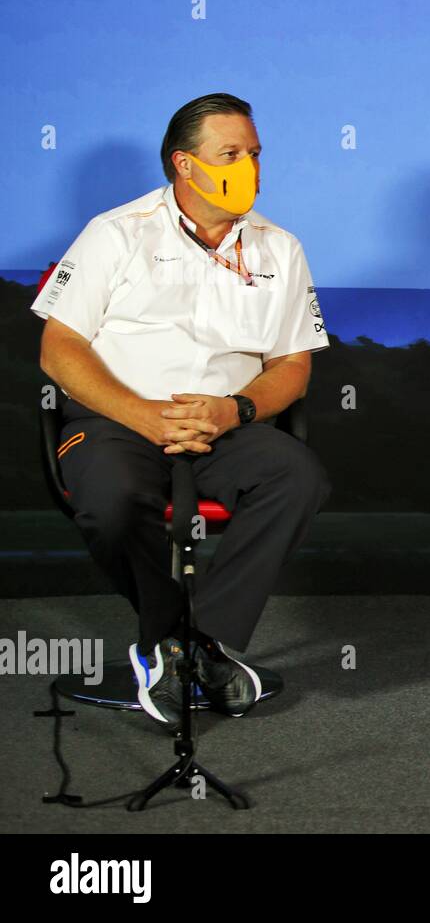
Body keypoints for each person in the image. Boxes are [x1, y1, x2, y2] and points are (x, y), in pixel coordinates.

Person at [31, 93, 331, 730]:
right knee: (110, 500)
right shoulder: (116, 233)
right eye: (230, 154)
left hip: (224, 423)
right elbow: (59, 350)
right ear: (184, 165)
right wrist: (140, 415)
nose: (248, 166)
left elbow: (294, 366)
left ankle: (198, 643)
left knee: (297, 474)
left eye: (254, 153)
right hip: (119, 419)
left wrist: (236, 408)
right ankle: (166, 639)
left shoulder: (281, 248)